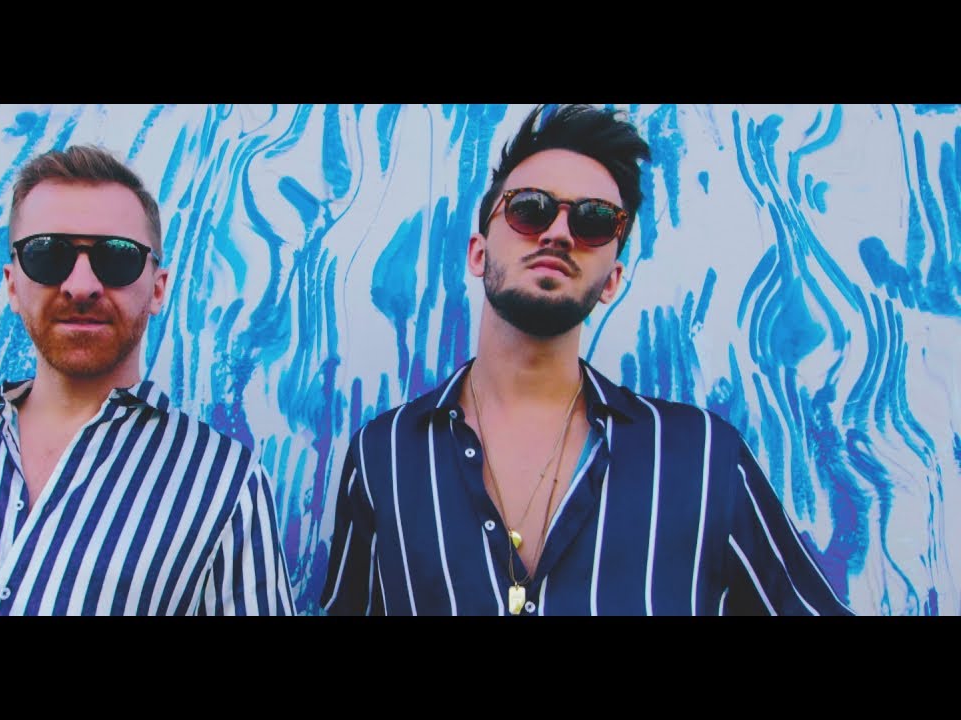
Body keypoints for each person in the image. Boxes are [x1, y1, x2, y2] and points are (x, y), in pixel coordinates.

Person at [320, 104, 854, 616]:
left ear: (612, 280)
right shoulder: (384, 457)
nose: (558, 233)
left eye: (594, 221)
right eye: (530, 208)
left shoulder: (705, 458)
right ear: (478, 253)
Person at [0, 144, 295, 615]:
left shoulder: (224, 484)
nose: (81, 285)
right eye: (48, 255)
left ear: (158, 289)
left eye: (117, 257)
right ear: (12, 284)